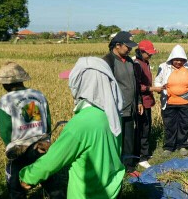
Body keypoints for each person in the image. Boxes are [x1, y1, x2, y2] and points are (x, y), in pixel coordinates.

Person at [19, 57, 125, 199]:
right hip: (112, 189)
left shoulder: (81, 123)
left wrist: (27, 177)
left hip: (87, 194)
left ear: (83, 84)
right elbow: (95, 148)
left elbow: (52, 161)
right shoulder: (112, 114)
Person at [0, 62, 66, 199]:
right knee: (52, 183)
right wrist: (47, 141)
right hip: (42, 146)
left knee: (15, 186)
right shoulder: (38, 94)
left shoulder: (5, 100)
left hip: (19, 149)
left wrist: (10, 147)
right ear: (22, 80)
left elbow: (5, 131)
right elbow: (48, 121)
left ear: (4, 84)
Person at [103, 31, 141, 177]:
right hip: (115, 109)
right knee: (114, 140)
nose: (130, 49)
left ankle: (129, 166)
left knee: (128, 139)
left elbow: (134, 84)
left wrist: (138, 101)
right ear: (117, 45)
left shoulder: (130, 61)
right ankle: (112, 166)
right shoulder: (108, 61)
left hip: (130, 107)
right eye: (127, 46)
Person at [154, 45, 188, 157]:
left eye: (181, 60)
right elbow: (157, 81)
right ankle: (169, 146)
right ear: (171, 59)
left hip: (185, 103)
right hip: (169, 102)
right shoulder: (164, 67)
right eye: (176, 60)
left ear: (184, 59)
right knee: (169, 125)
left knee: (184, 124)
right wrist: (160, 87)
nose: (178, 62)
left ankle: (183, 145)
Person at [134, 40, 162, 169]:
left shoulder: (145, 62)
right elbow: (137, 86)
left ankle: (143, 153)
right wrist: (152, 89)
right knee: (142, 129)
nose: (150, 55)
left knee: (146, 127)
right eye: (148, 53)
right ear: (141, 51)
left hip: (147, 101)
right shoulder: (137, 65)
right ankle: (141, 157)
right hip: (141, 102)